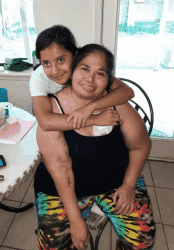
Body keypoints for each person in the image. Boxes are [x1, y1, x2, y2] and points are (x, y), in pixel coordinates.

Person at [34, 44, 156, 250]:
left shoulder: (118, 104)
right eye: (84, 69)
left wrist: (128, 185)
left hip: (115, 181)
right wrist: (75, 220)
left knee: (142, 238)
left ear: (108, 80)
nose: (90, 79)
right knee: (54, 245)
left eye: (100, 73)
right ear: (72, 70)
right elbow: (61, 171)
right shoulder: (53, 110)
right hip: (62, 188)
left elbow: (140, 146)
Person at [29, 25, 134, 131]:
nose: (55, 71)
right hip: (58, 116)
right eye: (46, 63)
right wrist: (94, 120)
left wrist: (91, 107)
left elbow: (127, 91)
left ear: (75, 55)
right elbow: (45, 122)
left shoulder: (84, 64)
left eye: (61, 60)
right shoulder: (38, 79)